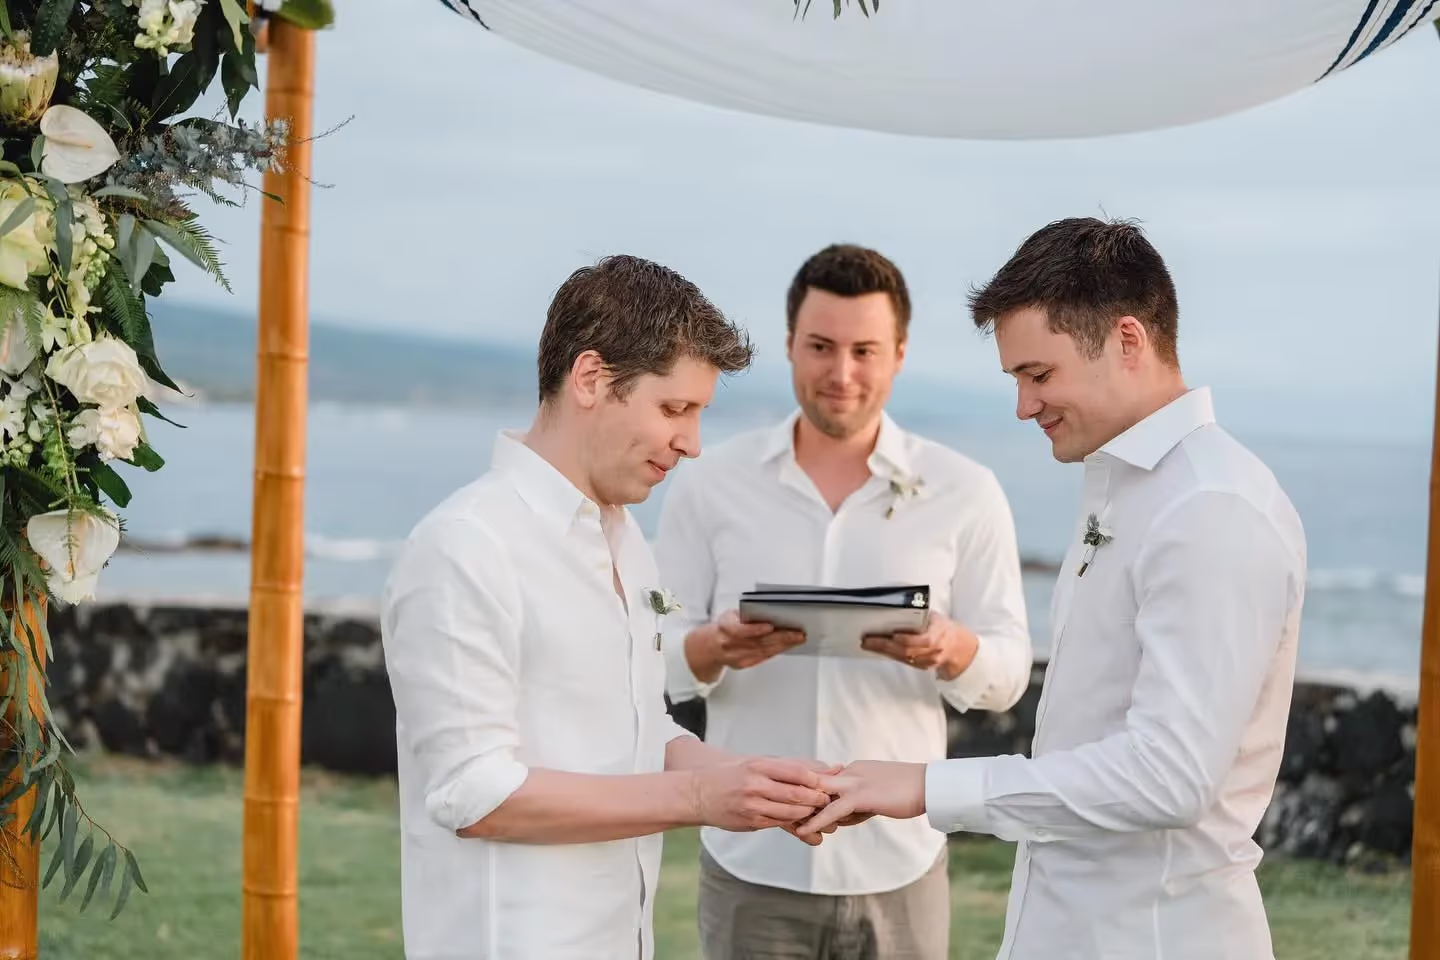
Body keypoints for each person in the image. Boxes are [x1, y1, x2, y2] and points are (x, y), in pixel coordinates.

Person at [799, 218, 1308, 960]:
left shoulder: (1210, 507)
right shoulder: (1124, 489)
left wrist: (930, 787)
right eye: (1017, 379)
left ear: (1128, 341)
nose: (1024, 405)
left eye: (1038, 375)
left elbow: (1169, 778)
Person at [380, 255, 839, 960]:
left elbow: (636, 727)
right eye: (674, 409)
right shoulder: (464, 546)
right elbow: (474, 794)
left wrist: (750, 781)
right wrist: (698, 803)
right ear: (591, 378)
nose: (691, 443)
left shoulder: (626, 542)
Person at [655, 244, 1033, 959]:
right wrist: (711, 648)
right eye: (821, 347)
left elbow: (1008, 672)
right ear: (791, 345)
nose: (842, 373)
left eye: (865, 349)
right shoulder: (710, 484)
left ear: (899, 352)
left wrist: (950, 648)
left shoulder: (966, 489)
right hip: (751, 860)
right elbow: (646, 655)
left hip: (900, 860)